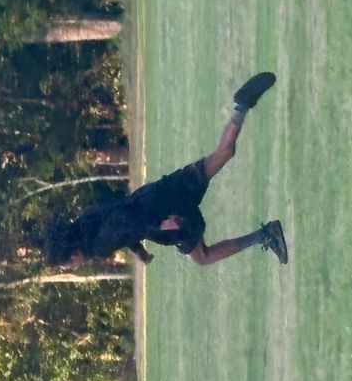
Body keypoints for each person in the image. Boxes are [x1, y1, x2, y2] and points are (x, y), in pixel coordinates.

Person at [45, 72, 288, 269]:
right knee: (223, 153)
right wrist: (138, 251)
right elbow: (119, 218)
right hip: (159, 192)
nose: (71, 268)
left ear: (74, 255)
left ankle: (266, 235)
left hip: (164, 213)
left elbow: (125, 221)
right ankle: (241, 106)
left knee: (202, 257)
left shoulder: (96, 247)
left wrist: (162, 224)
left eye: (68, 265)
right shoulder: (87, 220)